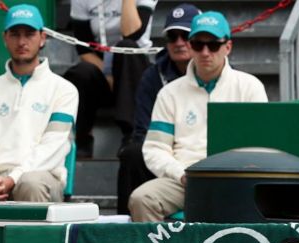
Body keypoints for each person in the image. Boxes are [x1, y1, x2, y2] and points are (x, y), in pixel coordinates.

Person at [128, 11, 268, 222]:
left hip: (237, 180)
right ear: (191, 46)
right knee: (141, 198)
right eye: (197, 44)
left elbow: (260, 144)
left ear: (227, 47)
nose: (205, 52)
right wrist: (182, 174)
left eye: (213, 45)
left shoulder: (249, 87)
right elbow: (155, 148)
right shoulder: (169, 92)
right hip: (184, 179)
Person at [0, 4, 78, 203]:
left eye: (29, 34)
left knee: (30, 183)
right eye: (15, 34)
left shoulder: (64, 89)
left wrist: (13, 178)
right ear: (4, 38)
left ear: (42, 38)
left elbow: (53, 147)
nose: (22, 41)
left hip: (43, 176)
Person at [116, 3, 199, 214]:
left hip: (202, 162)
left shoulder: (228, 80)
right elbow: (143, 131)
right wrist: (170, 164)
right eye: (172, 37)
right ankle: (125, 227)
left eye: (185, 36)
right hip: (163, 156)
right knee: (132, 153)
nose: (179, 43)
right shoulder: (152, 77)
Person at [62, 0, 157, 158]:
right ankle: (82, 139)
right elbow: (83, 48)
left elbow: (131, 33)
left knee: (126, 46)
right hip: (101, 70)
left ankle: (132, 136)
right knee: (81, 72)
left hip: (134, 70)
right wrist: (109, 75)